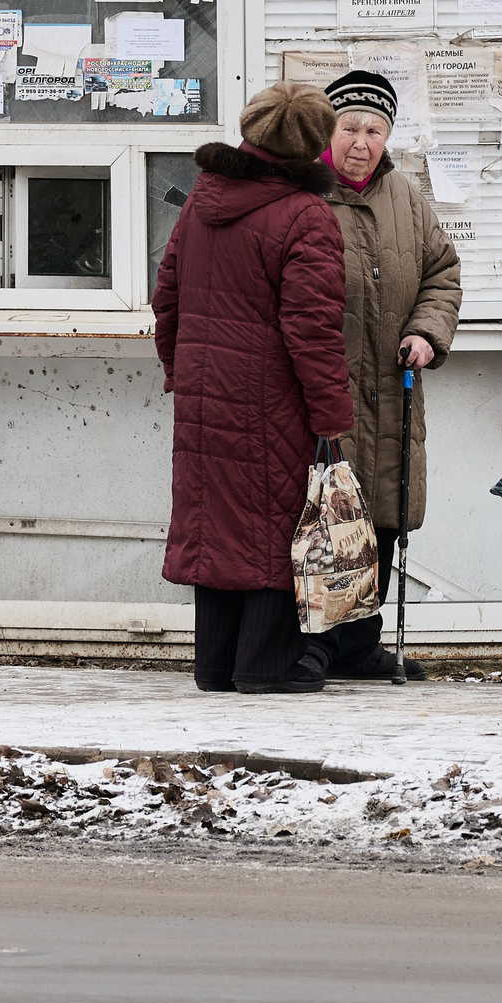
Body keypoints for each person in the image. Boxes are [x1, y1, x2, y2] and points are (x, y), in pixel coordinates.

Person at [154, 81, 355, 695]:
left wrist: (180, 373)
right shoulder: (305, 215)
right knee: (273, 522)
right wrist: (331, 414)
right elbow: (312, 328)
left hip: (202, 391)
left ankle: (214, 665)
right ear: (314, 147)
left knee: (215, 523)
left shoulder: (201, 199)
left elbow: (168, 300)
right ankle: (266, 666)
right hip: (272, 398)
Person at [313, 69, 463, 680]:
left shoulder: (405, 197)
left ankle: (362, 645)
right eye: (350, 127)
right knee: (328, 517)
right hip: (327, 388)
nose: (361, 142)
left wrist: (426, 334)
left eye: (375, 130)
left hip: (393, 387)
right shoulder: (306, 195)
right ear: (329, 130)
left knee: (383, 518)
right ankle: (320, 643)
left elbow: (442, 273)